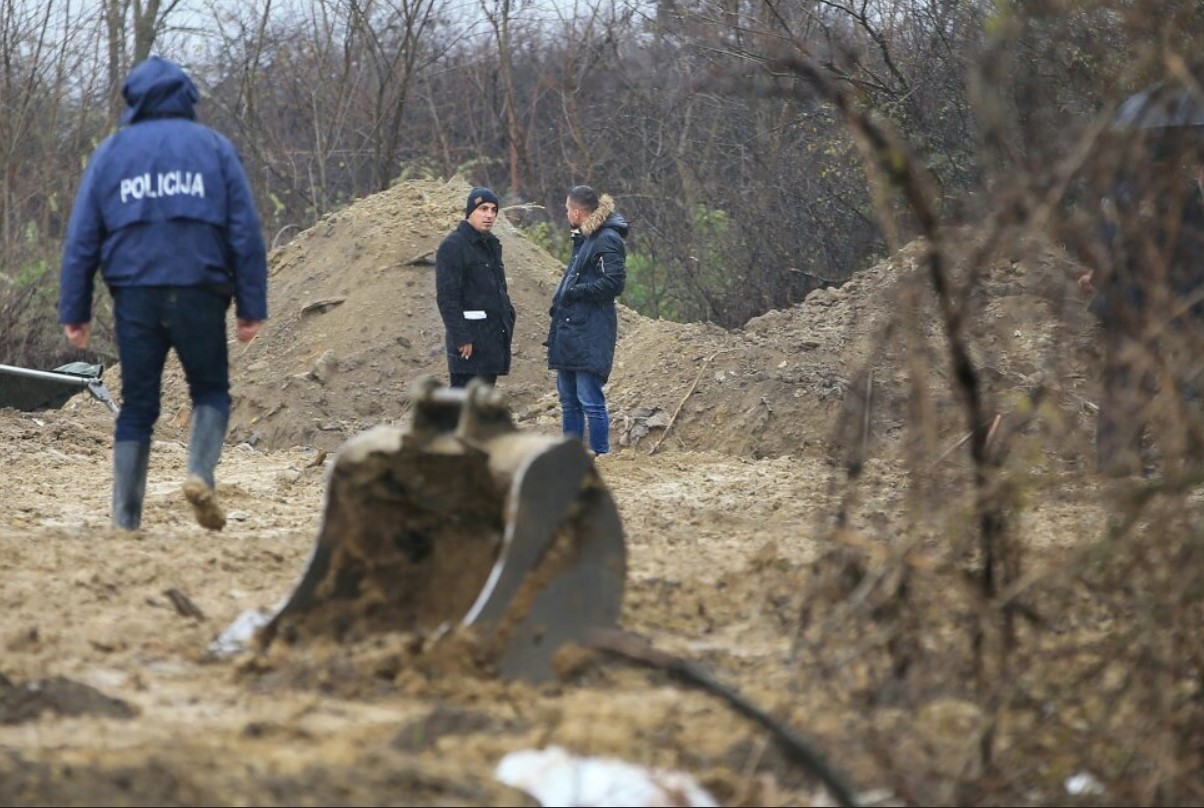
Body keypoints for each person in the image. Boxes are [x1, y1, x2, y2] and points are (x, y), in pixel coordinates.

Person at [58, 55, 268, 531]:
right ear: (186, 99)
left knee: (137, 406)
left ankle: (125, 519)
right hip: (201, 290)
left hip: (135, 296)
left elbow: (82, 238)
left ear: (134, 99)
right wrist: (250, 307)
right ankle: (198, 473)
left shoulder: (112, 153)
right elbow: (245, 233)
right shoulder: (214, 148)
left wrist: (76, 309)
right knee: (210, 389)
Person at [1075, 121, 1204, 477]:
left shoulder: (1119, 192)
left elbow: (1110, 248)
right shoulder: (1180, 195)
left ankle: (1119, 461)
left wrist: (1095, 277)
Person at [545, 185, 628, 456]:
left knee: (590, 400)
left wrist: (576, 292)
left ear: (577, 212)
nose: (566, 213)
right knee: (569, 401)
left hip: (590, 332)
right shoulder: (584, 239)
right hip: (570, 330)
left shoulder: (606, 239)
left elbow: (614, 282)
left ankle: (602, 455)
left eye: (568, 209)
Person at [435, 187, 516, 389]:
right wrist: (462, 338)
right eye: (483, 209)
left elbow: (498, 290)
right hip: (469, 346)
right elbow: (447, 298)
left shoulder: (491, 245)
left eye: (494, 210)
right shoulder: (453, 246)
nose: (489, 215)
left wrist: (508, 317)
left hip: (492, 341)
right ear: (470, 211)